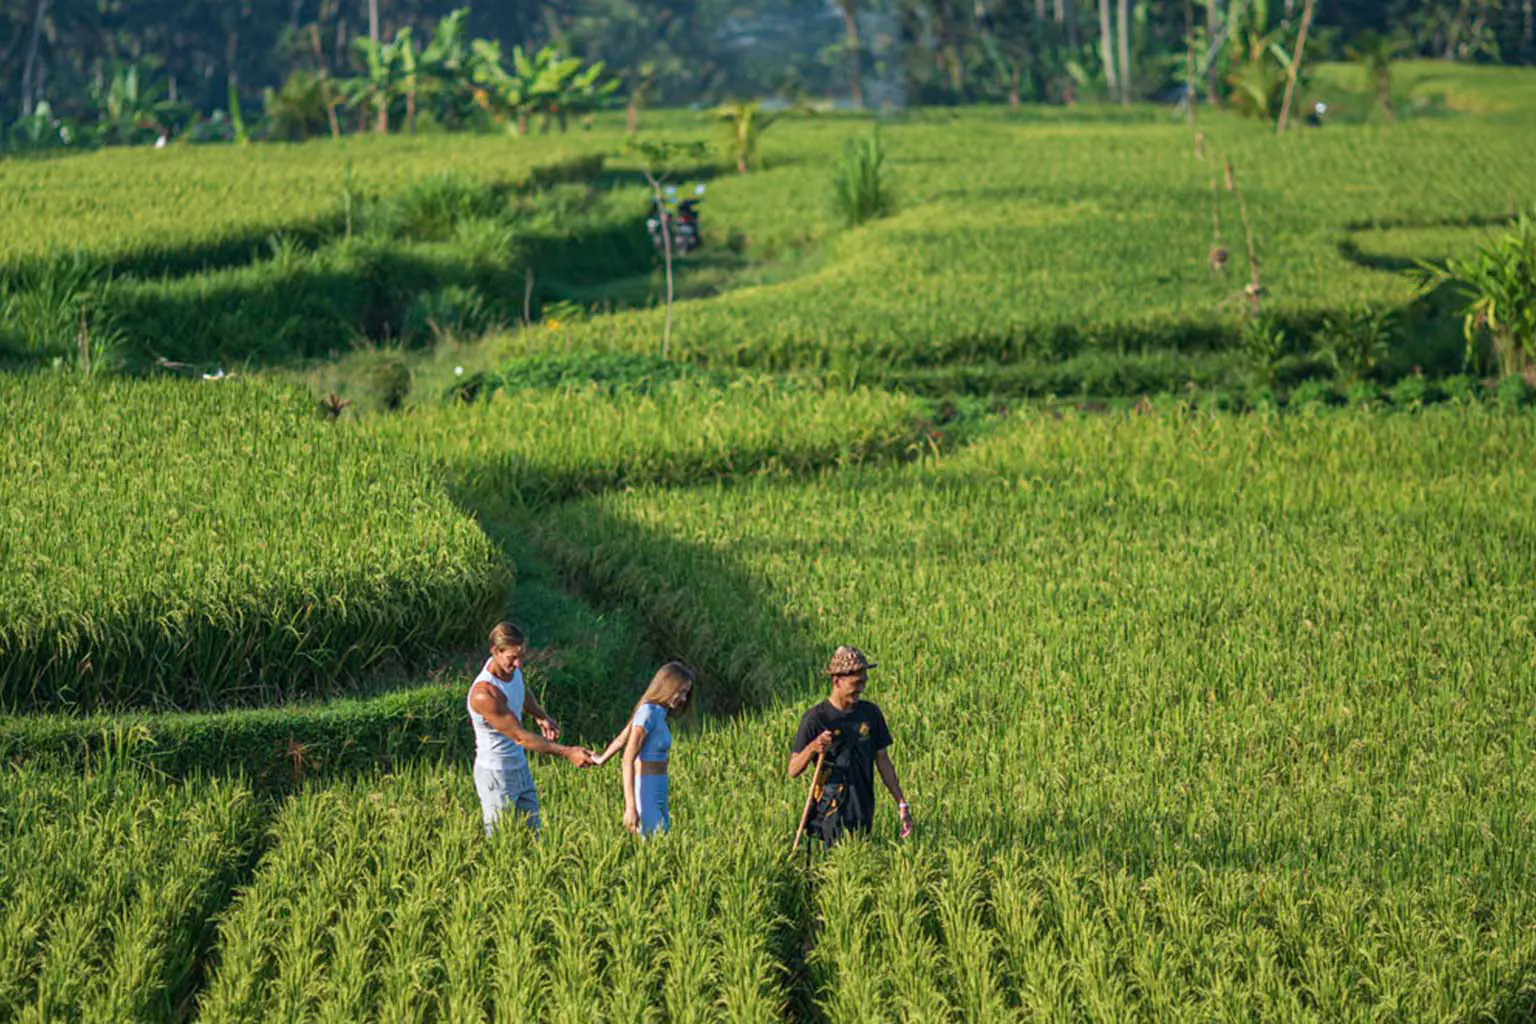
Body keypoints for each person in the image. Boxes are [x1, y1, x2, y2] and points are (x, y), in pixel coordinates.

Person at [467, 622, 595, 835]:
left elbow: (521, 691)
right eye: (512, 658)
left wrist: (540, 715)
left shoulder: (511, 670)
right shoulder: (485, 694)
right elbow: (520, 737)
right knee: (501, 840)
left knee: (532, 834)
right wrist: (568, 752)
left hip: (519, 767)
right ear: (495, 651)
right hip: (496, 774)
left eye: (521, 656)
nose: (518, 664)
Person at [788, 645, 913, 846]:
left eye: (864, 682)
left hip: (863, 807)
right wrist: (813, 747)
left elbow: (882, 760)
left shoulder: (870, 714)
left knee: (858, 859)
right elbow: (793, 769)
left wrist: (901, 802)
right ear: (837, 681)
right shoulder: (816, 719)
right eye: (856, 683)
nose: (861, 689)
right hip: (827, 810)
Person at [594, 662, 695, 835]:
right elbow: (627, 759)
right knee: (655, 844)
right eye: (681, 692)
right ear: (668, 685)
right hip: (646, 791)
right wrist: (630, 807)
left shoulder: (658, 713)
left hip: (660, 789)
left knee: (663, 840)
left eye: (686, 693)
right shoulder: (647, 712)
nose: (683, 699)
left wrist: (602, 759)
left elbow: (621, 738)